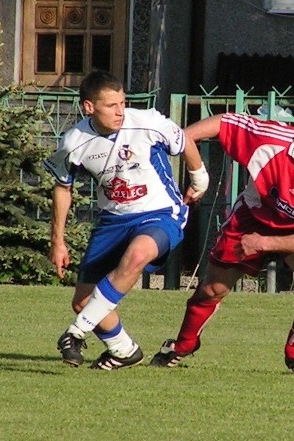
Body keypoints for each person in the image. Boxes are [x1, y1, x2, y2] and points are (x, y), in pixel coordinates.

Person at [148, 106, 294, 376]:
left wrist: (263, 244)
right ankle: (182, 345)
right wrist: (179, 141)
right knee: (213, 289)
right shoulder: (272, 141)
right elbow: (225, 123)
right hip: (252, 218)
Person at [44, 70, 209, 370]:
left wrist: (199, 179)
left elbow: (184, 140)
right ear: (89, 108)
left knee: (137, 255)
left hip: (160, 213)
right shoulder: (74, 141)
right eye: (111, 106)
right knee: (83, 301)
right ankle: (125, 350)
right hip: (113, 220)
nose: (120, 111)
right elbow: (62, 186)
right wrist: (58, 240)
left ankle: (76, 332)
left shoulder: (147, 122)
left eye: (122, 102)